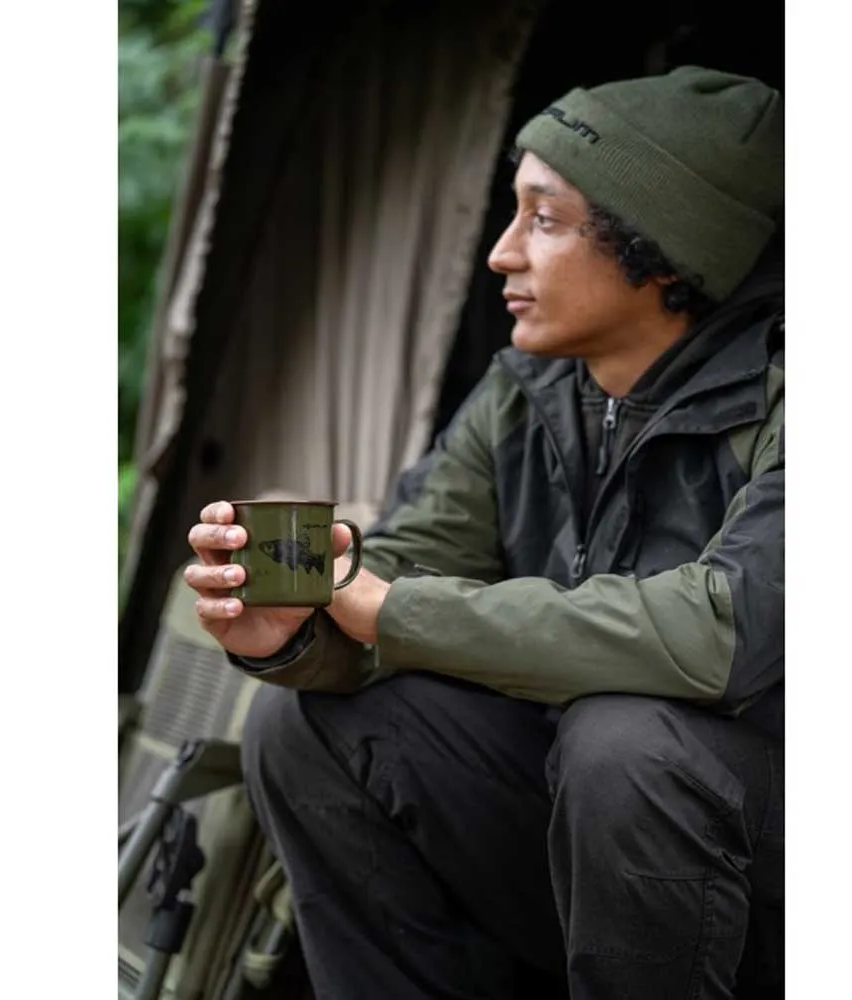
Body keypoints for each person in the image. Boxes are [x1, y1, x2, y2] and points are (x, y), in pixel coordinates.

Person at [184, 65, 784, 999]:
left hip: (766, 875)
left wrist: (394, 610)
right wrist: (300, 632)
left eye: (543, 220)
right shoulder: (527, 390)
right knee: (304, 724)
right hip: (590, 843)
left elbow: (725, 633)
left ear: (664, 251)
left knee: (623, 743)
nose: (501, 254)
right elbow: (406, 564)